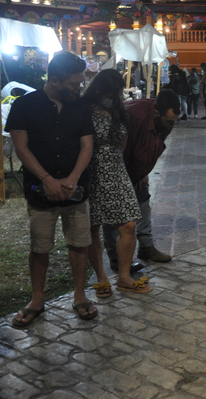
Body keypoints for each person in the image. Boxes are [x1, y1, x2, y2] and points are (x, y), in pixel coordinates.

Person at [5, 51, 98, 327]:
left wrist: (72, 178)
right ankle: (37, 298)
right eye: (73, 83)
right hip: (39, 190)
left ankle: (80, 296)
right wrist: (47, 179)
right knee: (40, 246)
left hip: (76, 188)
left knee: (80, 243)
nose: (78, 88)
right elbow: (21, 147)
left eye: (80, 83)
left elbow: (87, 145)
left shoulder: (79, 106)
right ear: (55, 80)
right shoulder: (25, 105)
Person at [82, 70, 151, 296]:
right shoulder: (84, 111)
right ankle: (101, 276)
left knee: (128, 226)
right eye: (113, 90)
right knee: (93, 228)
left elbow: (123, 143)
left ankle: (123, 276)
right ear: (100, 88)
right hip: (91, 172)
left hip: (116, 171)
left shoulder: (119, 112)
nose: (116, 95)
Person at [102, 89, 181, 270]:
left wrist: (142, 174)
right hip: (117, 170)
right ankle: (115, 257)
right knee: (114, 214)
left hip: (137, 170)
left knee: (143, 202)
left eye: (174, 122)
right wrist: (122, 178)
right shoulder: (134, 116)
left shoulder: (165, 123)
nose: (171, 126)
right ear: (156, 112)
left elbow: (154, 146)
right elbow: (120, 151)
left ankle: (146, 247)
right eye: (169, 121)